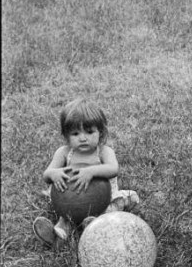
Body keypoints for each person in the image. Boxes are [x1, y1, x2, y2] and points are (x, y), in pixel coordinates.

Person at [33, 97, 139, 246]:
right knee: (65, 218)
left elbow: (113, 169)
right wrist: (54, 174)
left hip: (102, 200)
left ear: (100, 133)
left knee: (108, 212)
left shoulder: (103, 151)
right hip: (70, 202)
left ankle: (93, 226)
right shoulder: (63, 152)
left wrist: (91, 172)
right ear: (66, 135)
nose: (83, 138)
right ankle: (56, 236)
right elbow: (46, 175)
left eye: (89, 132)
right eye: (75, 134)